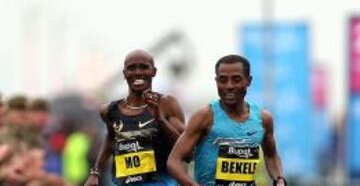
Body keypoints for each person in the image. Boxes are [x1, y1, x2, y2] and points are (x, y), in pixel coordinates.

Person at [167, 55, 286, 186]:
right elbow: (174, 161)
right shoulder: (205, 116)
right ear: (216, 81)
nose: (229, 86)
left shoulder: (263, 119)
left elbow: (271, 155)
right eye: (223, 80)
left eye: (236, 80)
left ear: (248, 81)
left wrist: (279, 179)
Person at [84, 49, 185, 186]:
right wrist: (95, 172)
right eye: (131, 68)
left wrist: (160, 119)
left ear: (153, 71)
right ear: (124, 74)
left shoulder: (167, 104)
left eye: (143, 67)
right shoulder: (109, 111)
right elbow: (111, 139)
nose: (137, 72)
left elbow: (186, 150)